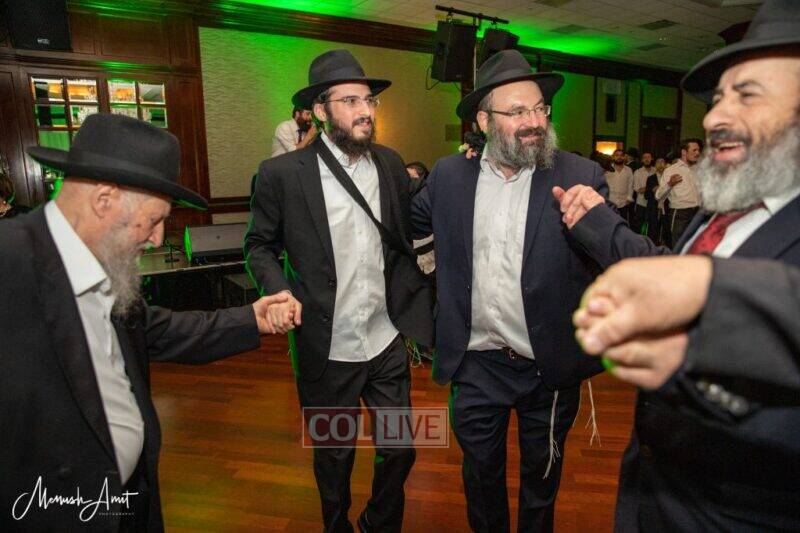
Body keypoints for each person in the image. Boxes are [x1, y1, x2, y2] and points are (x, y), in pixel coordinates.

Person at [554, 0, 800, 528]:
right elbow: (672, 273)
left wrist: (699, 339)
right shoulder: (725, 211)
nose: (712, 117)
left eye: (747, 95)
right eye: (717, 99)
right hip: (654, 497)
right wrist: (596, 222)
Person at [0, 113, 287, 532]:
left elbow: (155, 329)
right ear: (104, 199)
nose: (157, 238)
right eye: (154, 220)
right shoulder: (9, 265)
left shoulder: (104, 270)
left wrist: (250, 318)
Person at [412, 49, 608, 532]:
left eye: (540, 108)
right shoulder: (450, 176)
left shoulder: (580, 177)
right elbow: (400, 227)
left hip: (548, 366)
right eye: (517, 111)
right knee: (480, 479)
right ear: (483, 122)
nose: (534, 121)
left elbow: (608, 261)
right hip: (476, 362)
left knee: (542, 482)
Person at [245, 49, 433, 533]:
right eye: (350, 101)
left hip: (385, 338)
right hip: (327, 345)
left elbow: (410, 228)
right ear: (320, 111)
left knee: (401, 448)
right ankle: (337, 526)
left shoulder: (390, 164)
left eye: (368, 100)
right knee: (334, 454)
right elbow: (259, 246)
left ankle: (378, 523)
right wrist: (277, 291)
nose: (365, 111)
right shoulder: (282, 175)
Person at [656, 138, 703, 245]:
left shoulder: (699, 170)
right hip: (680, 215)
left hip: (698, 213)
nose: (698, 153)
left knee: (695, 246)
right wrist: (670, 184)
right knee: (678, 246)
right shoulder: (671, 170)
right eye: (694, 150)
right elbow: (658, 196)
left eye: (698, 150)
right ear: (684, 152)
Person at [605, 149, 634, 223]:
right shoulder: (607, 169)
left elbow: (630, 185)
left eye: (621, 155)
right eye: (617, 155)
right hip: (610, 202)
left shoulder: (628, 170)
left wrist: (629, 198)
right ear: (613, 157)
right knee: (610, 222)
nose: (619, 157)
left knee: (622, 223)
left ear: (624, 157)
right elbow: (603, 185)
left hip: (624, 202)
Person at [631, 151, 655, 234]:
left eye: (648, 157)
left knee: (652, 227)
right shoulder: (637, 172)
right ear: (642, 160)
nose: (647, 159)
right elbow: (638, 189)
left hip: (653, 204)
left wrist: (646, 188)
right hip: (641, 203)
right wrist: (652, 188)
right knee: (638, 225)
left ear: (652, 159)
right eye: (644, 157)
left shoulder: (656, 171)